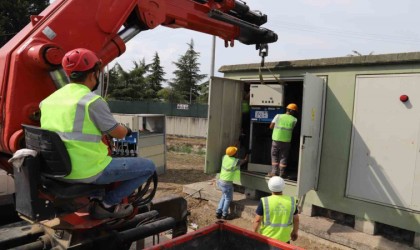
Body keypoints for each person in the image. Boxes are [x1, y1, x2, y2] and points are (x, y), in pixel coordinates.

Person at [40, 48, 156, 219]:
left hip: (56, 170)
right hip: (87, 170)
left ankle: (96, 196)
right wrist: (126, 129)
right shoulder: (92, 101)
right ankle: (107, 204)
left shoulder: (48, 101)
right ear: (94, 73)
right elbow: (117, 133)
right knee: (148, 167)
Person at [253, 176, 299, 243]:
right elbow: (296, 220)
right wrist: (294, 232)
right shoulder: (291, 201)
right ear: (283, 186)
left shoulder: (265, 201)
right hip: (284, 240)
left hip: (267, 239)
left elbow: (257, 220)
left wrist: (255, 233)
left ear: (269, 187)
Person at [216, 146, 248, 220]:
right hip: (227, 184)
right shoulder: (236, 161)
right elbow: (245, 160)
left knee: (223, 196)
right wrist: (247, 154)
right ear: (235, 154)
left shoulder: (224, 157)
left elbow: (230, 152)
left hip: (220, 181)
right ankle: (224, 214)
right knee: (228, 199)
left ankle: (218, 212)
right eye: (236, 152)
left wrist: (235, 145)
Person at [268, 103, 298, 177]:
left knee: (274, 155)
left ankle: (274, 172)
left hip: (276, 140)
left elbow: (271, 127)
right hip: (286, 141)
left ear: (287, 109)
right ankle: (282, 173)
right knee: (283, 156)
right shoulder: (294, 119)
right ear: (292, 111)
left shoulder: (278, 116)